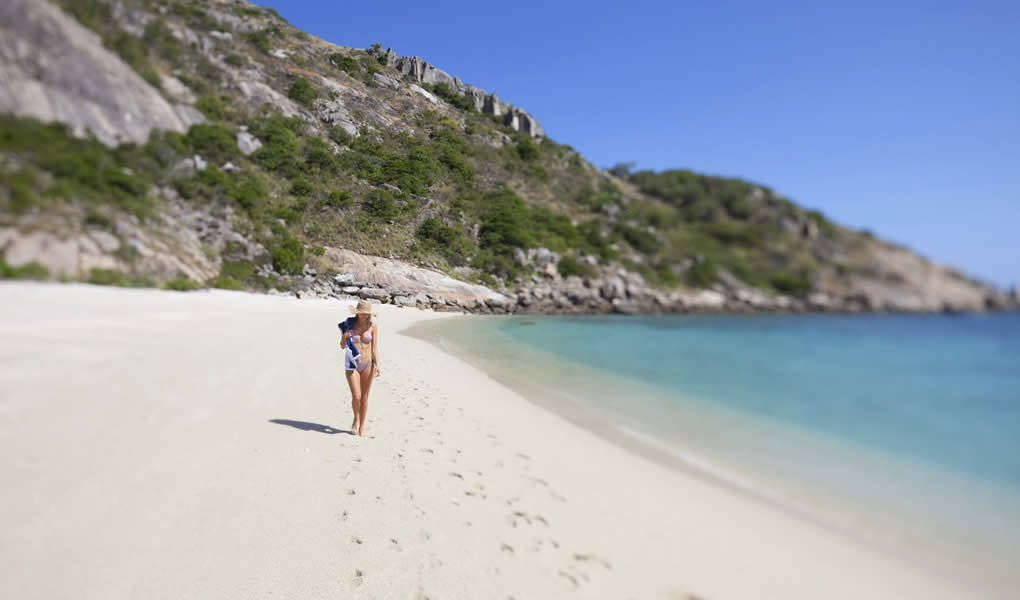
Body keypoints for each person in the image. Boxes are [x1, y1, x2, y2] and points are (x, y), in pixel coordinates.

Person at [339, 300, 381, 436]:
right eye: (361, 313)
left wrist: (378, 364)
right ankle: (355, 419)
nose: (364, 315)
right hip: (352, 365)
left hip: (368, 364)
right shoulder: (349, 325)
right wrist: (344, 337)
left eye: (366, 313)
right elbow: (342, 346)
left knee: (365, 397)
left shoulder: (373, 327)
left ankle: (362, 426)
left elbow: (374, 348)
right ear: (357, 313)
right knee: (356, 396)